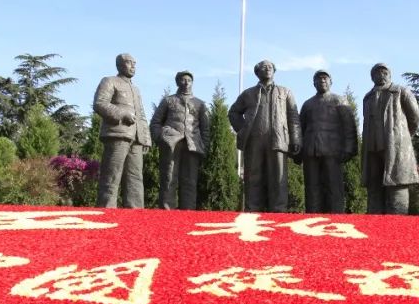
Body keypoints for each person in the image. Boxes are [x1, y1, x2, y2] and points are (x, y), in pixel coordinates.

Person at [228, 60, 301, 212]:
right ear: (257, 72)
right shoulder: (248, 93)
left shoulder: (285, 92)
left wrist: (295, 138)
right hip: (254, 141)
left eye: (270, 67)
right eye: (263, 67)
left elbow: (293, 116)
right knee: (253, 177)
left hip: (278, 139)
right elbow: (233, 112)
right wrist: (243, 129)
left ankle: (278, 212)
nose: (267, 69)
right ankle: (252, 211)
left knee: (278, 178)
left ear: (274, 71)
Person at [361, 63, 419, 214]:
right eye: (377, 72)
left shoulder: (401, 91)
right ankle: (374, 226)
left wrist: (403, 137)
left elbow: (415, 117)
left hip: (395, 145)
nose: (381, 74)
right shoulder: (367, 97)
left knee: (397, 185)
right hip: (372, 147)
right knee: (374, 187)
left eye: (384, 71)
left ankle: (397, 225)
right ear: (372, 76)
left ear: (389, 74)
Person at [93, 53, 151, 208]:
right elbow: (100, 103)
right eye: (129, 62)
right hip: (117, 134)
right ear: (119, 65)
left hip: (136, 138)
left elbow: (142, 115)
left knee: (135, 178)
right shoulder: (110, 81)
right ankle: (106, 211)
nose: (133, 66)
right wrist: (122, 114)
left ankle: (135, 215)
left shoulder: (136, 89)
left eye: (134, 63)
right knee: (112, 175)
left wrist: (145, 138)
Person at [299, 70, 357, 213]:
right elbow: (300, 129)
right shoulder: (307, 104)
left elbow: (349, 127)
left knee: (334, 186)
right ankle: (312, 217)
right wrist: (298, 151)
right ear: (314, 83)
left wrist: (349, 148)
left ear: (331, 82)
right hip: (311, 150)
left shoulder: (339, 100)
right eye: (318, 79)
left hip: (333, 150)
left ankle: (336, 217)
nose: (322, 81)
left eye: (325, 78)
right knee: (312, 187)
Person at [150, 71, 210, 210]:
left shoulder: (200, 104)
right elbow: (155, 123)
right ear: (178, 82)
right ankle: (167, 211)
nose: (186, 82)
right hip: (171, 143)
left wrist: (204, 147)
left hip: (192, 145)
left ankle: (188, 213)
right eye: (183, 80)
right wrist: (161, 138)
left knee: (190, 180)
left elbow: (205, 129)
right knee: (169, 178)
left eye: (189, 80)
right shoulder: (168, 100)